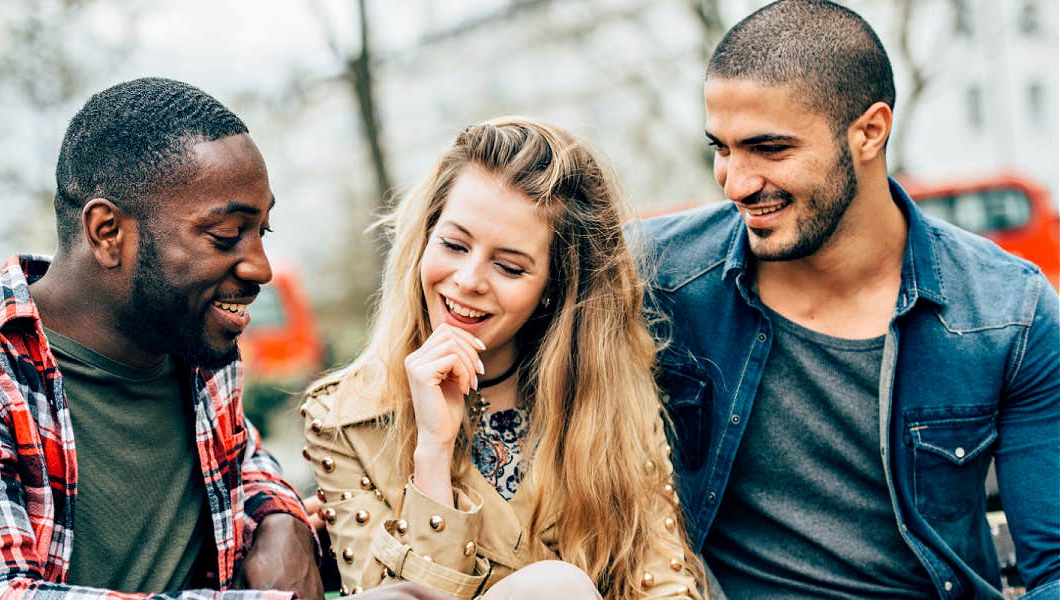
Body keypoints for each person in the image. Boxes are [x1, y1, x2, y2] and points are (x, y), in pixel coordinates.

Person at [0, 77, 449, 600]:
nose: (261, 267)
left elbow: (244, 461)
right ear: (107, 231)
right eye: (226, 235)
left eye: (261, 231)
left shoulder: (194, 349)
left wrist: (281, 519)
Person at [634, 1, 1060, 598]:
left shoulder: (1006, 312)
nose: (735, 182)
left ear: (869, 131)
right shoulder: (652, 277)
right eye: (722, 148)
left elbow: (1055, 566)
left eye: (769, 149)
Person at [300, 116, 703, 599]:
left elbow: (665, 585)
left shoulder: (615, 396)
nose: (468, 279)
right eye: (453, 244)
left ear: (554, 287)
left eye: (509, 266)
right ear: (424, 238)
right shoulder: (343, 416)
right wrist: (433, 451)